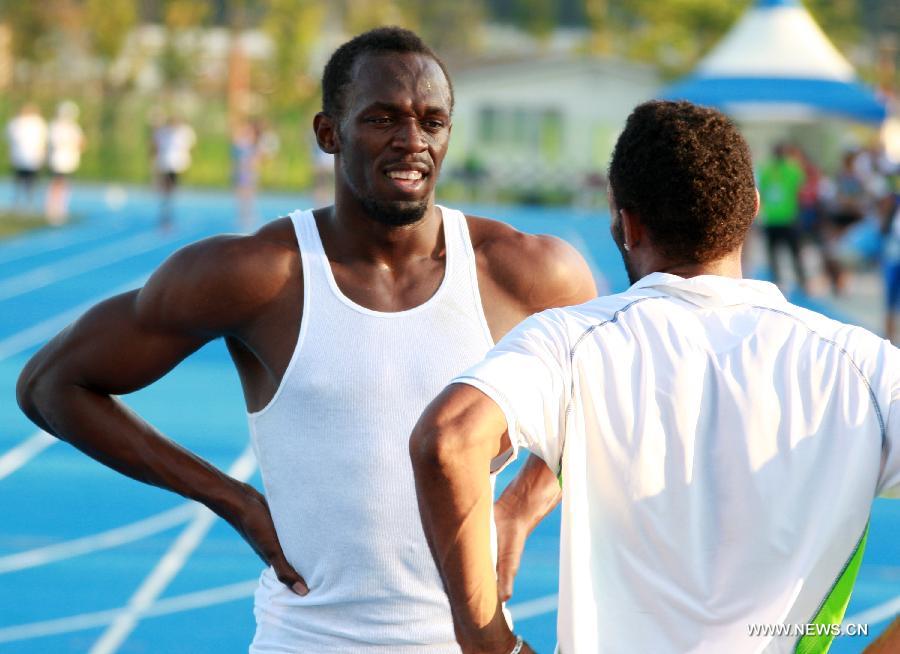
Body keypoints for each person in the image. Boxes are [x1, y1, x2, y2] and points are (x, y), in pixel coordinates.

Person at [16, 27, 596, 652]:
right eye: (382, 119)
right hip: (306, 638)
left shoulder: (526, 273)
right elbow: (51, 385)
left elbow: (604, 409)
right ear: (328, 133)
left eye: (433, 122)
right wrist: (232, 499)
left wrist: (520, 509)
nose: (412, 142)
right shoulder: (259, 275)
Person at [411, 101, 900, 654]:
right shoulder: (863, 367)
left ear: (627, 222)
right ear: (754, 208)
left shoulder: (571, 342)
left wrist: (490, 644)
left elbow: (448, 440)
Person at [758, 143, 807, 292]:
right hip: (788, 218)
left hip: (773, 219)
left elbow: (762, 193)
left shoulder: (766, 170)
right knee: (794, 253)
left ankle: (778, 282)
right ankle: (801, 281)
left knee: (775, 254)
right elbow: (801, 191)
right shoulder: (793, 170)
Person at [151, 115, 196, 230]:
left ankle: (167, 214)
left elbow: (190, 146)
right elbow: (155, 147)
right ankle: (166, 215)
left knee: (170, 191)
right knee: (166, 191)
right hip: (165, 164)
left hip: (176, 166)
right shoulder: (163, 133)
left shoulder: (184, 133)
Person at [45, 100, 86, 224]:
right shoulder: (55, 126)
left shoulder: (73, 127)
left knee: (65, 184)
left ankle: (61, 207)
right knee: (57, 183)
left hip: (70, 160)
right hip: (58, 160)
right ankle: (52, 207)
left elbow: (82, 143)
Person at [5, 103, 47, 212]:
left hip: (32, 156)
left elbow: (42, 140)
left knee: (31, 179)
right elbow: (10, 138)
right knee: (19, 178)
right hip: (19, 156)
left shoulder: (37, 123)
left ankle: (29, 201)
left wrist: (41, 154)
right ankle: (17, 201)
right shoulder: (16, 122)